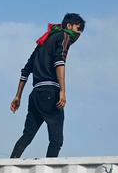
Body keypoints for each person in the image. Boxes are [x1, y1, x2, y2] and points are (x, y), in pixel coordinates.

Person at [9, 13, 85, 159]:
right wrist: (62, 91)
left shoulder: (43, 42)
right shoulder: (64, 36)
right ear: (69, 26)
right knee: (56, 140)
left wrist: (18, 96)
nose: (78, 34)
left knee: (27, 135)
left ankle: (11, 165)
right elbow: (59, 62)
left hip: (35, 95)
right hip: (51, 92)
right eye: (78, 29)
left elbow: (26, 70)